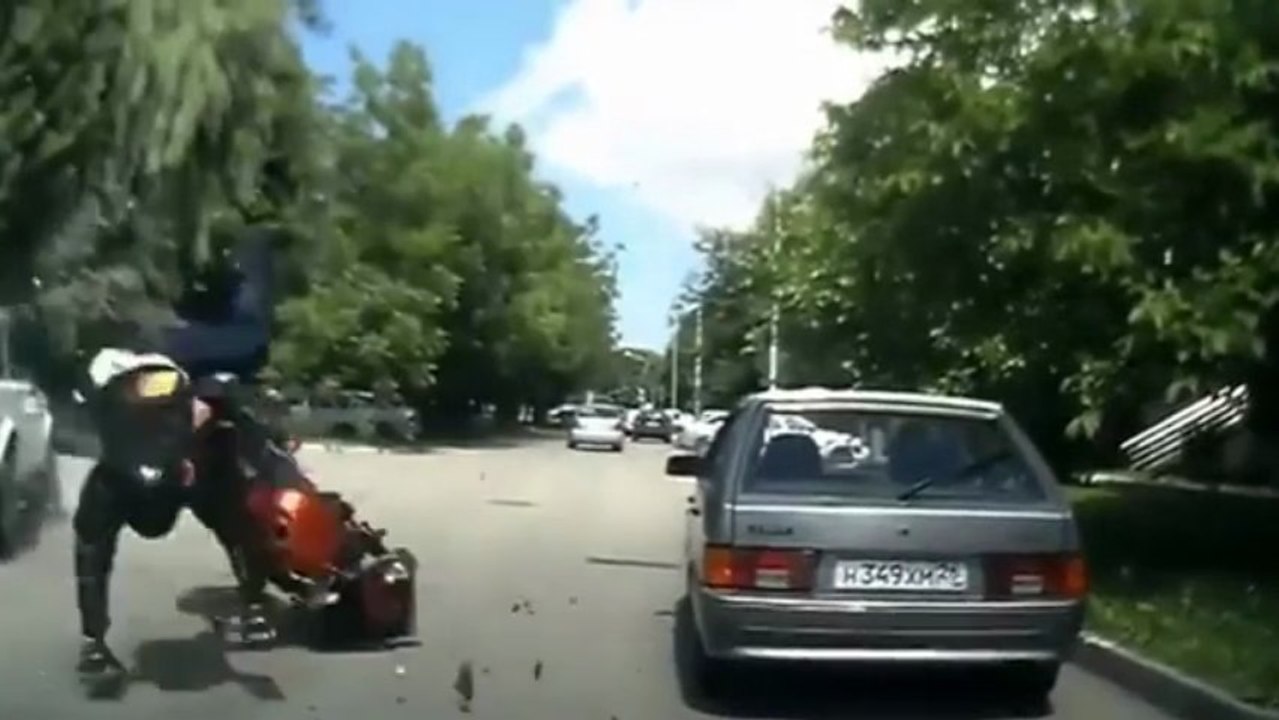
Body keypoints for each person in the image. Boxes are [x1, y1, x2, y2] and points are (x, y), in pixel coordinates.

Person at [75, 234, 283, 682]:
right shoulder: (190, 340)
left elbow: (93, 399)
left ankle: (93, 642)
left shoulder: (122, 351)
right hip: (178, 431)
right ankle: (253, 606)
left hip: (146, 448)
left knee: (95, 538)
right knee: (234, 515)